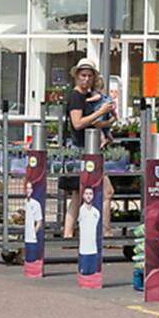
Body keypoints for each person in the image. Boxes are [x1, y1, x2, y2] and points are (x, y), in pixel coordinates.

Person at [62, 61, 116, 239]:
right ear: (76, 76)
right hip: (82, 150)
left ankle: (68, 234)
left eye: (89, 76)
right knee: (106, 191)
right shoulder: (77, 96)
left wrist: (108, 122)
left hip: (84, 149)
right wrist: (101, 111)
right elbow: (78, 123)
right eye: (83, 75)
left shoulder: (83, 97)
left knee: (78, 193)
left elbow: (91, 122)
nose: (86, 79)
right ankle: (106, 233)